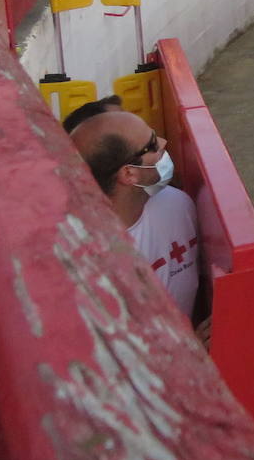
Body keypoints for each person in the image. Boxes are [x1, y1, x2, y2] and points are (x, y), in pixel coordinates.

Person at [68, 110, 202, 324]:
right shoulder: (90, 266)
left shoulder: (178, 204)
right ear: (129, 174)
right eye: (152, 144)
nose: (163, 142)